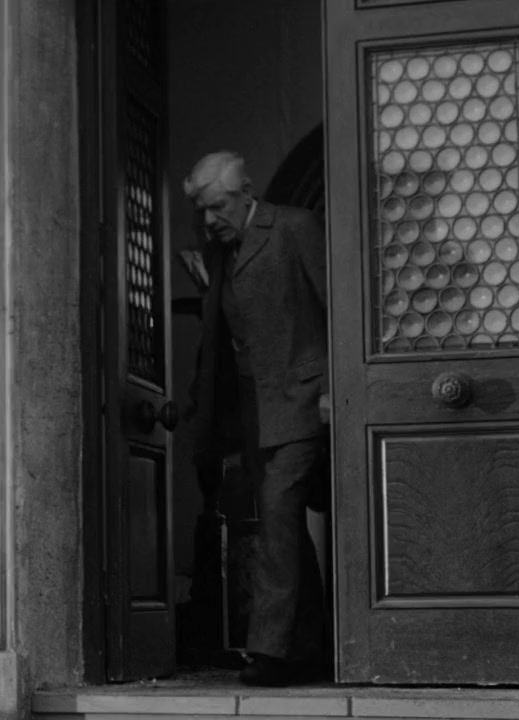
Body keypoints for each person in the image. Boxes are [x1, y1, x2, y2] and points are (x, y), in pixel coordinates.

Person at [183, 150, 330, 687]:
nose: (209, 219)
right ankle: (308, 649)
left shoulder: (294, 227)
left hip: (304, 399)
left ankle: (269, 651)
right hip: (255, 411)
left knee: (278, 514)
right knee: (280, 523)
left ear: (246, 193)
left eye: (218, 206)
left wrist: (334, 389)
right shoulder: (219, 251)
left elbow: (337, 308)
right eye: (202, 210)